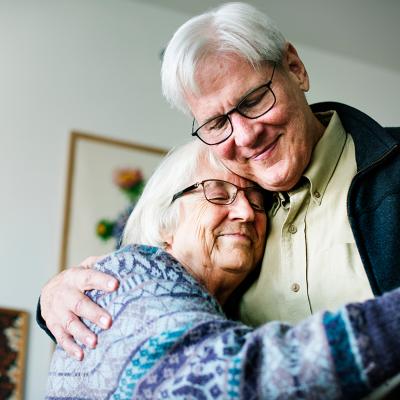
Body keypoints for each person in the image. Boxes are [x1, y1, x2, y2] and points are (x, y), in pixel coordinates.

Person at [38, 1, 400, 392]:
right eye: (216, 123)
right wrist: (53, 297)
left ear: (296, 68)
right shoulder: (201, 245)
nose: (244, 136)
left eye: (254, 100)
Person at [46, 140, 400, 399]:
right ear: (164, 219)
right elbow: (231, 381)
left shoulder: (220, 310)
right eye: (218, 193)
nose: (246, 213)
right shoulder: (131, 274)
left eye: (257, 201)